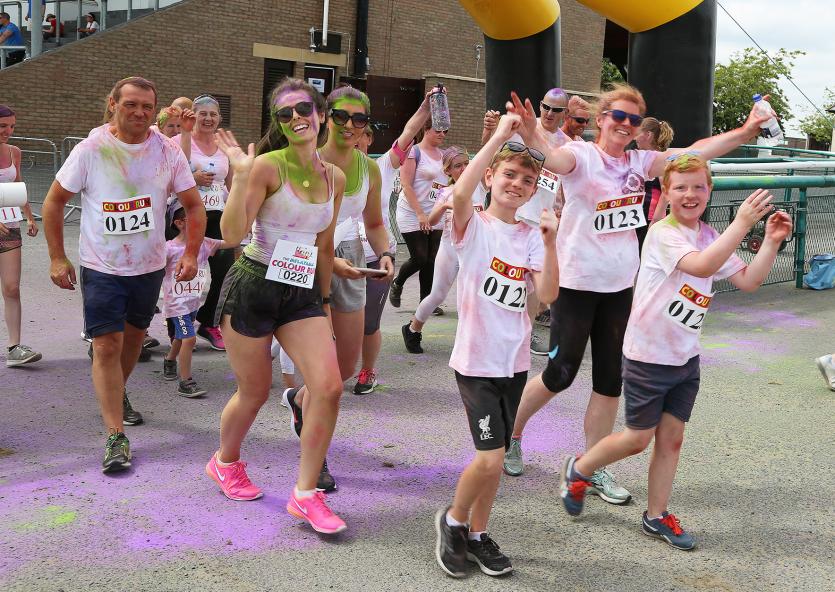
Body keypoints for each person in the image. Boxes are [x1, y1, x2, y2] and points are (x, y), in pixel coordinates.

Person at [502, 84, 779, 500]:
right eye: (618, 116)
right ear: (601, 120)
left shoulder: (640, 162)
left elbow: (697, 151)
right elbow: (553, 157)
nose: (626, 125)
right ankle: (513, 433)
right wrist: (531, 133)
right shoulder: (581, 156)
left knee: (610, 382)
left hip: (620, 287)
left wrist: (745, 131)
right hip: (577, 283)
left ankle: (590, 467)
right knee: (560, 374)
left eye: (633, 120)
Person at [557, 155, 792, 550]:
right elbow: (700, 267)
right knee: (636, 438)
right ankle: (580, 468)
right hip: (648, 357)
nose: (690, 194)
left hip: (685, 357)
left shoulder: (710, 234)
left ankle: (656, 515)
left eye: (698, 186)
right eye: (680, 187)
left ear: (709, 191)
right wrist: (743, 223)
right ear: (665, 193)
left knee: (672, 440)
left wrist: (770, 241)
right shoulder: (663, 234)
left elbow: (748, 280)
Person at [42, 77, 206, 473]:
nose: (139, 113)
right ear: (113, 104)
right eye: (130, 104)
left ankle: (116, 390)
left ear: (155, 110)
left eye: (146, 107)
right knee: (107, 346)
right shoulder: (91, 149)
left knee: (133, 342)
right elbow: (53, 202)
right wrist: (56, 258)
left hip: (147, 267)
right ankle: (116, 434)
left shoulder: (167, 151)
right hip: (102, 266)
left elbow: (194, 206)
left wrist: (190, 253)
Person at [209, 78, 347, 534]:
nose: (295, 119)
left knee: (327, 386)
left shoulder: (335, 177)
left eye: (303, 108)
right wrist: (242, 176)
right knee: (254, 391)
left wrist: (325, 303)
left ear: (321, 114)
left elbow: (324, 248)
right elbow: (231, 233)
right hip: (253, 285)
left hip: (302, 289)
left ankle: (306, 494)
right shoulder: (267, 166)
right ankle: (224, 462)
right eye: (284, 114)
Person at [434, 114, 559, 578]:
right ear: (491, 176)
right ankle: (453, 521)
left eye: (528, 180)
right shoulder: (474, 226)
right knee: (489, 458)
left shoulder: (529, 236)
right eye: (509, 174)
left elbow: (547, 296)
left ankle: (480, 534)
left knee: (494, 461)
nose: (517, 184)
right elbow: (461, 193)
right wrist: (500, 139)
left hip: (515, 363)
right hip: (476, 362)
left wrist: (550, 243)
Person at [281, 85, 394, 489]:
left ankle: (298, 402)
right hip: (299, 260)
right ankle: (317, 457)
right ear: (326, 117)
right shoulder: (298, 161)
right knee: (324, 378)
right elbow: (275, 229)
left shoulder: (368, 168)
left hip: (349, 256)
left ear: (366, 125)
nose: (349, 125)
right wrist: (325, 261)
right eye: (341, 116)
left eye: (358, 119)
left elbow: (376, 223)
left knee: (345, 368)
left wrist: (384, 256)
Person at [351, 93, 432, 393]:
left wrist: (424, 109)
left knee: (369, 321)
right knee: (334, 320)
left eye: (362, 136)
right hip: (339, 255)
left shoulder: (384, 165)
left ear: (369, 140)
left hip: (376, 255)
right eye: (352, 135)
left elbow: (408, 133)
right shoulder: (329, 165)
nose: (356, 140)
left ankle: (367, 371)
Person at [485, 88, 572, 356]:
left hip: (540, 221)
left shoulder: (568, 145)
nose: (549, 113)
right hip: (511, 215)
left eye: (556, 110)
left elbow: (567, 187)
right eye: (545, 106)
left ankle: (525, 334)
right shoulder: (520, 130)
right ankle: (488, 331)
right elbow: (491, 158)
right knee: (500, 275)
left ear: (564, 114)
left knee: (532, 286)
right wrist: (489, 130)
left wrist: (562, 214)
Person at [402, 146, 488, 354]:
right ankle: (413, 329)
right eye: (458, 166)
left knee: (477, 295)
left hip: (475, 250)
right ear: (448, 171)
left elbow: (488, 153)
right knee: (437, 294)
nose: (464, 168)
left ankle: (473, 342)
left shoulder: (480, 186)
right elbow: (430, 222)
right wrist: (444, 206)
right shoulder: (446, 192)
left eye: (467, 163)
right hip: (450, 249)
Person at [173, 95, 234, 351]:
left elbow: (231, 183)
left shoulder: (224, 146)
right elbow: (174, 173)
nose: (208, 118)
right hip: (187, 215)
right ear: (193, 115)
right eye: (203, 114)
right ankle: (178, 329)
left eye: (213, 114)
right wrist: (193, 177)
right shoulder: (179, 140)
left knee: (223, 273)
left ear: (219, 118)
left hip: (218, 215)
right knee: (183, 273)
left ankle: (208, 323)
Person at [162, 207, 233, 397]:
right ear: (179, 223)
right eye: (196, 220)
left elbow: (231, 242)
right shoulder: (168, 248)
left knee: (182, 336)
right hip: (176, 304)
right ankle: (185, 382)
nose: (202, 224)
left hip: (193, 302)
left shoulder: (205, 244)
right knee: (189, 338)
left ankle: (169, 360)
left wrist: (244, 222)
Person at [389, 117, 448, 310]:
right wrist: (420, 214)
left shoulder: (444, 155)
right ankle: (397, 283)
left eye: (445, 131)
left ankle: (426, 302)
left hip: (435, 213)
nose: (442, 134)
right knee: (420, 257)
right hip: (412, 212)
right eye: (438, 130)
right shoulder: (414, 152)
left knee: (431, 260)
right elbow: (406, 185)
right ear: (427, 129)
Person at [0, 105, 41, 367]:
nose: (9, 131)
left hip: (10, 226)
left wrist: (29, 216)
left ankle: (14, 348)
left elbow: (18, 186)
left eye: (12, 126)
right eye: (3, 126)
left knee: (12, 288)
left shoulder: (15, 152)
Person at [635, 117, 675, 250]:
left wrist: (655, 220)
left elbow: (666, 192)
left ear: (648, 135)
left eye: (638, 133)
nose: (635, 138)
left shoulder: (659, 159)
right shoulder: (643, 157)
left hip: (649, 218)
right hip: (638, 216)